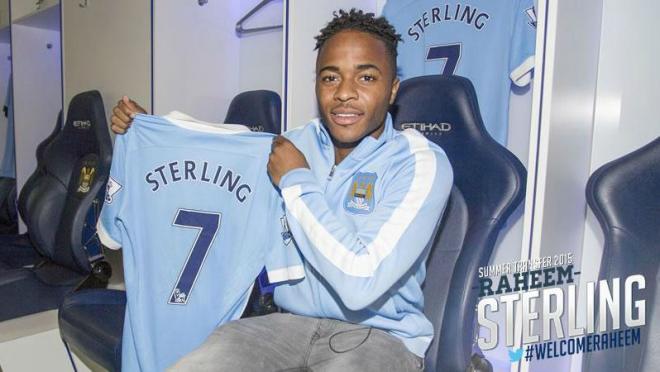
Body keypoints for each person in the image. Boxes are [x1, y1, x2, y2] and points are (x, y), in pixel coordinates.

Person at [110, 9, 453, 371]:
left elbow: (361, 283)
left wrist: (296, 181)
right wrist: (153, 140)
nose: (345, 93)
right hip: (285, 324)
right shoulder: (290, 144)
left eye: (366, 77)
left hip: (380, 336)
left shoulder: (419, 162)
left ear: (393, 88)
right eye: (330, 77)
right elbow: (212, 178)